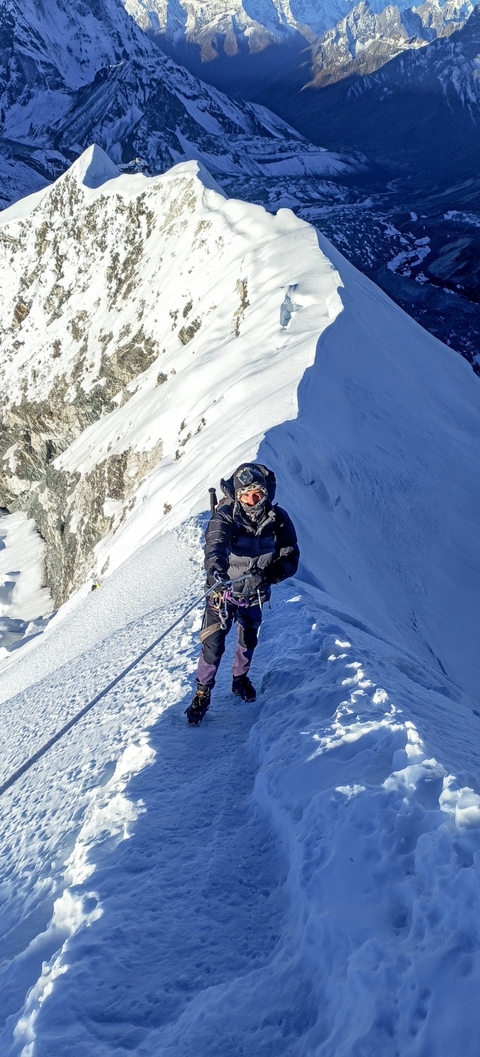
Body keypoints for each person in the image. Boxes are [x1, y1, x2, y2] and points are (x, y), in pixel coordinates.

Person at [186, 462, 299, 725]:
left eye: (257, 493)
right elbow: (215, 546)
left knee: (248, 641)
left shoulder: (278, 520)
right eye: (246, 494)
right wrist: (216, 573)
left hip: (255, 593)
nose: (252, 499)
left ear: (266, 492)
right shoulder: (225, 515)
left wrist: (269, 575)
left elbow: (291, 558)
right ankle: (202, 691)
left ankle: (240, 678)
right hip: (222, 593)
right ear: (237, 496)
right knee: (212, 645)